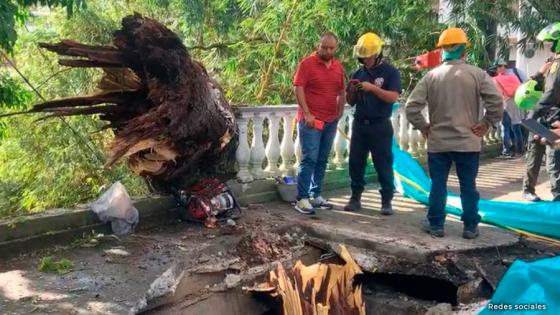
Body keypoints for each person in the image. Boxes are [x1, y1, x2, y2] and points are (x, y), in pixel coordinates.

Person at [405, 27, 503, 239]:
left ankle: (437, 225)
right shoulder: (477, 74)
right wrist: (486, 123)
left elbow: (411, 107)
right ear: (464, 50)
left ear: (442, 51)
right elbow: (496, 102)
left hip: (439, 143)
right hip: (468, 142)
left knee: (438, 185)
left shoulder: (431, 76)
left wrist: (423, 126)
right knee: (468, 185)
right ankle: (470, 226)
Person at [343, 32, 401, 215]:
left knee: (383, 163)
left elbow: (393, 97)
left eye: (368, 55)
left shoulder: (390, 72)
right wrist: (352, 90)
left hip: (380, 125)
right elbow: (350, 101)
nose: (365, 59)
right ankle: (355, 196)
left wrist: (373, 88)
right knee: (356, 162)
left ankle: (386, 200)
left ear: (377, 54)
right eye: (362, 56)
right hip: (360, 124)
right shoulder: (358, 73)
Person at [293, 32, 346, 215]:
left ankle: (316, 195)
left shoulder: (338, 67)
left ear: (335, 48)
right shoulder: (307, 64)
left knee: (323, 159)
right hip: (311, 121)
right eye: (324, 47)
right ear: (319, 45)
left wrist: (340, 110)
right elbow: (298, 87)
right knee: (309, 158)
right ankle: (302, 198)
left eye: (331, 48)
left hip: (330, 120)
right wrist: (307, 113)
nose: (327, 51)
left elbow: (341, 91)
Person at [524, 22, 560, 201]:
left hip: (550, 116)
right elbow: (539, 81)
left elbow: (551, 93)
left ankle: (557, 196)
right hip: (545, 115)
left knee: (553, 155)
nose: (551, 47)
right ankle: (529, 190)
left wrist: (533, 114)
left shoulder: (558, 64)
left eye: (552, 42)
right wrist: (537, 76)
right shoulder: (553, 61)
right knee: (536, 152)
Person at [521, 60, 552, 202]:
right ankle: (528, 190)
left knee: (553, 160)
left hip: (554, 120)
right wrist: (542, 70)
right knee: (534, 156)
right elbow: (528, 91)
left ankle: (556, 193)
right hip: (539, 121)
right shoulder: (542, 77)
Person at [492, 59, 525, 157]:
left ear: (503, 67)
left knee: (505, 128)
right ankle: (520, 150)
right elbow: (520, 88)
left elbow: (497, 93)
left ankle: (506, 151)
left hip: (505, 103)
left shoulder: (496, 79)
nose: (497, 68)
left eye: (498, 66)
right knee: (516, 127)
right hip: (515, 102)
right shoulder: (514, 77)